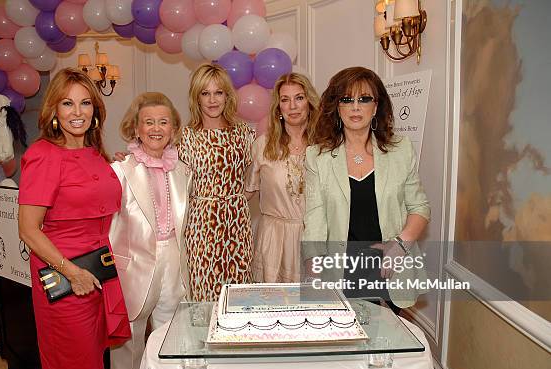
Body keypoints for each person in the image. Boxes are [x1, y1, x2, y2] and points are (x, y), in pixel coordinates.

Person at [18, 68, 130, 369]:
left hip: (97, 271)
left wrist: (119, 167)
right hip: (65, 277)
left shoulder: (96, 154)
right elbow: (27, 229)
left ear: (96, 110)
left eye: (85, 103)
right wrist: (72, 273)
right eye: (68, 103)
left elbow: (94, 196)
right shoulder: (43, 156)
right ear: (54, 110)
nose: (77, 112)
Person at [302, 66, 430, 310]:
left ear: (376, 106)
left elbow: (420, 207)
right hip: (341, 271)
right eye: (347, 99)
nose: (355, 106)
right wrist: (313, 280)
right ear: (337, 107)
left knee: (385, 344)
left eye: (364, 99)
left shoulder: (401, 150)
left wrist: (400, 246)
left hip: (389, 268)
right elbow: (315, 222)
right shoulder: (317, 156)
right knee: (347, 344)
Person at [108, 92, 189, 369]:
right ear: (136, 128)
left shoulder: (181, 169)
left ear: (172, 128)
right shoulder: (120, 170)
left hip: (173, 262)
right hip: (134, 270)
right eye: (149, 122)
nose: (157, 128)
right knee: (129, 348)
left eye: (163, 122)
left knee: (171, 339)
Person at [179, 63, 255, 301]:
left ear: (227, 96)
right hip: (200, 227)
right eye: (205, 93)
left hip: (237, 225)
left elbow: (255, 179)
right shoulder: (184, 136)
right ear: (196, 98)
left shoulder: (244, 133)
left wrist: (235, 201)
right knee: (204, 296)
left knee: (239, 296)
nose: (212, 100)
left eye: (218, 92)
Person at [245, 73, 319, 283]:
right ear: (278, 108)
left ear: (309, 102)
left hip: (312, 239)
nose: (293, 106)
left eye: (299, 98)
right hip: (273, 239)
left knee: (312, 308)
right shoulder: (262, 146)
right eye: (285, 100)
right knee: (271, 307)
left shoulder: (325, 146)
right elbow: (247, 193)